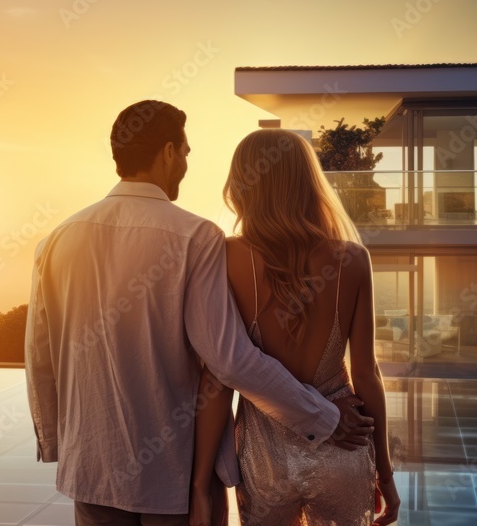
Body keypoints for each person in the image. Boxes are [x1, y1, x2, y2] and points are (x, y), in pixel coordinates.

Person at [24, 101, 374, 525]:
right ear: (169, 152)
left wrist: (56, 444)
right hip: (175, 470)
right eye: (186, 152)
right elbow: (227, 358)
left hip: (91, 467)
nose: (187, 163)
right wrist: (324, 416)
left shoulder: (56, 241)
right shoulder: (195, 237)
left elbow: (39, 359)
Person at [190, 129, 401, 525]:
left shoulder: (228, 257)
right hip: (345, 447)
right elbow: (367, 373)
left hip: (264, 459)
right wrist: (385, 475)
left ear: (244, 183)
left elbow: (218, 377)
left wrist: (202, 484)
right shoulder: (353, 259)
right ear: (308, 181)